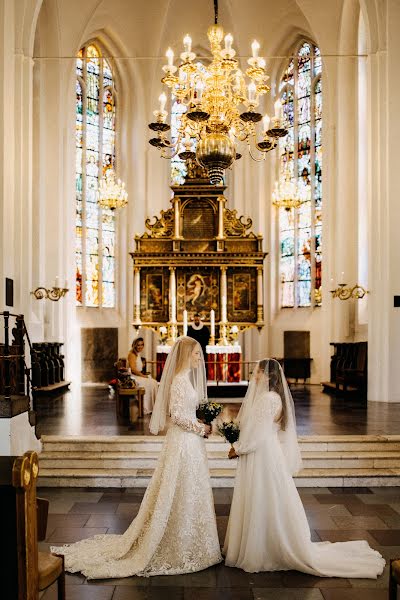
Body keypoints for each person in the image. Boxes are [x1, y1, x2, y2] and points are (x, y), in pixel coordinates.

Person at [51, 337, 222, 579]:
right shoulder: (180, 382)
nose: (199, 358)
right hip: (183, 442)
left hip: (189, 442)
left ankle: (192, 538)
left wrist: (201, 423)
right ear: (185, 355)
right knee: (179, 488)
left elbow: (187, 413)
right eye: (196, 354)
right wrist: (199, 428)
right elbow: (176, 416)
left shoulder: (185, 380)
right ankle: (179, 540)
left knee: (189, 489)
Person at [223, 358, 385, 578]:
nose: (254, 376)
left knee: (264, 496)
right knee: (264, 497)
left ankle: (265, 547)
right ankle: (260, 543)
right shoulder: (269, 397)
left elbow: (259, 435)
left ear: (268, 376)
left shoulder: (268, 398)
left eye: (257, 372)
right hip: (264, 453)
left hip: (261, 455)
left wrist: (239, 448)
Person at [127, 337, 158, 414]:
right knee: (151, 383)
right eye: (138, 345)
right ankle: (147, 407)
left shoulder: (137, 354)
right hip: (133, 377)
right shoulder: (132, 354)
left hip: (137, 375)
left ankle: (154, 406)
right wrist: (143, 376)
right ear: (134, 345)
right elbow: (133, 370)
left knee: (153, 382)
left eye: (142, 345)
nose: (140, 347)